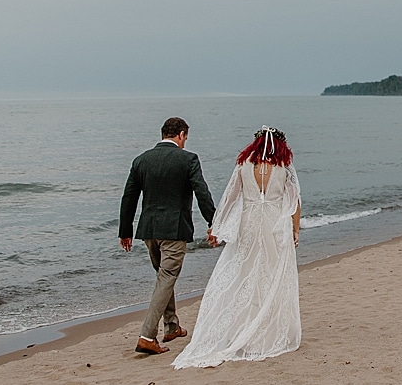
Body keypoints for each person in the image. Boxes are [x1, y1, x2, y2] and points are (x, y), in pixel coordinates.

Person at [172, 126, 302, 369]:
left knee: (247, 273)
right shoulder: (284, 167)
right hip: (275, 223)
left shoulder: (244, 165)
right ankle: (268, 330)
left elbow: (230, 198)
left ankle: (246, 328)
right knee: (272, 274)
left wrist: (217, 226)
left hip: (249, 223)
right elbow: (294, 202)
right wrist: (295, 230)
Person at [118, 117, 217, 356]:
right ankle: (146, 336)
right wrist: (214, 222)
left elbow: (129, 197)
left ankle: (171, 326)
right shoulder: (188, 159)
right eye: (185, 138)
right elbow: (201, 191)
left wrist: (125, 231)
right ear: (181, 134)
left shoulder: (141, 160)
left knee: (164, 277)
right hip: (174, 230)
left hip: (149, 231)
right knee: (167, 277)